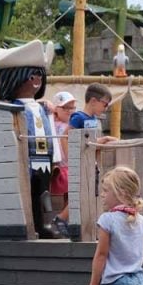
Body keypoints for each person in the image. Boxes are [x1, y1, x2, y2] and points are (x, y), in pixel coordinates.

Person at [0, 39, 63, 239]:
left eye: (39, 75)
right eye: (32, 75)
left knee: (43, 192)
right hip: (25, 157)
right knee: (24, 192)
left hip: (43, 156)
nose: (36, 81)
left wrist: (55, 156)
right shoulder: (13, 109)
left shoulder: (41, 107)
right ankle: (26, 224)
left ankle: (45, 224)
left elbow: (51, 133)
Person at [49, 91, 77, 236]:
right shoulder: (52, 124)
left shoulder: (73, 125)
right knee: (77, 192)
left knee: (72, 196)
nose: (69, 111)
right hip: (61, 167)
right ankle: (61, 219)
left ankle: (65, 221)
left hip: (69, 166)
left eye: (72, 107)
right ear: (56, 109)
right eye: (65, 108)